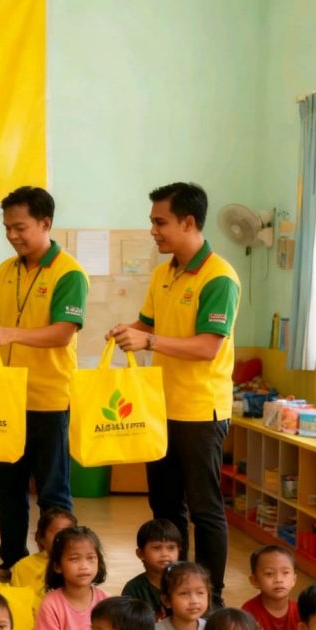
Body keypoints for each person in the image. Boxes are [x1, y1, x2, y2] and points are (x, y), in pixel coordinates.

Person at [108, 182, 240, 607]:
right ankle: (172, 591)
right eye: (152, 222)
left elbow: (207, 346)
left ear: (188, 222)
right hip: (159, 407)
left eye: (159, 222)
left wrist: (148, 341)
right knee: (165, 507)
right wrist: (126, 331)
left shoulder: (219, 277)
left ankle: (210, 597)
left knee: (205, 509)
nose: (153, 230)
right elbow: (149, 325)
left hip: (201, 410)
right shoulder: (164, 274)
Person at [0, 186, 88, 573]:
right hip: (6, 399)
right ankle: (14, 564)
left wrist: (10, 334)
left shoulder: (69, 273)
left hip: (49, 400)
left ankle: (58, 569)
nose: (12, 235)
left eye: (20, 227)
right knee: (9, 492)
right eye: (7, 228)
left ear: (45, 223)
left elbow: (63, 333)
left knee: (53, 496)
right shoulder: (6, 270)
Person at [33, 526, 109, 630]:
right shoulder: (51, 604)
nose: (84, 566)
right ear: (57, 566)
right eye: (74, 559)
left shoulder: (106, 600)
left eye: (91, 558)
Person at [242, 544, 301, 630]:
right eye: (269, 574)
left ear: (294, 579)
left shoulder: (301, 611)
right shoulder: (248, 613)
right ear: (254, 580)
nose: (279, 580)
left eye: (285, 573)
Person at [10, 506, 76, 600]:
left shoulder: (78, 564)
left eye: (68, 534)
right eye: (58, 534)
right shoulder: (23, 566)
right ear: (40, 537)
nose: (63, 539)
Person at [121, 518, 181, 620]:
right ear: (140, 553)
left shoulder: (186, 583)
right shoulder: (133, 589)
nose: (165, 554)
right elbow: (128, 624)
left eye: (171, 548)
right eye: (156, 548)